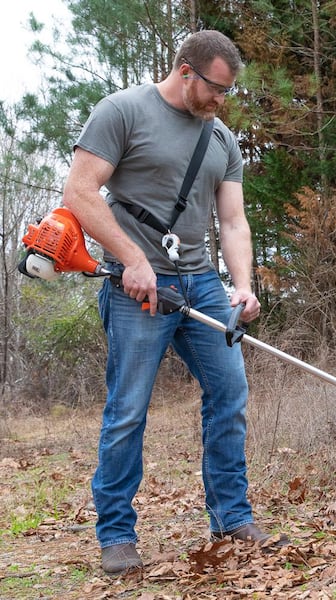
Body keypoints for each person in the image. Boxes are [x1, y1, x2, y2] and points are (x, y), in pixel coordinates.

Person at [63, 30, 284, 575]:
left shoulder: (221, 140)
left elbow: (232, 221)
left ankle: (232, 517)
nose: (220, 101)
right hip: (136, 286)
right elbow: (81, 193)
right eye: (215, 89)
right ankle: (116, 534)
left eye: (228, 92)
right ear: (185, 71)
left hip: (200, 282)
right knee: (128, 410)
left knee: (229, 393)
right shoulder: (122, 111)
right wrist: (131, 259)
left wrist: (243, 283)